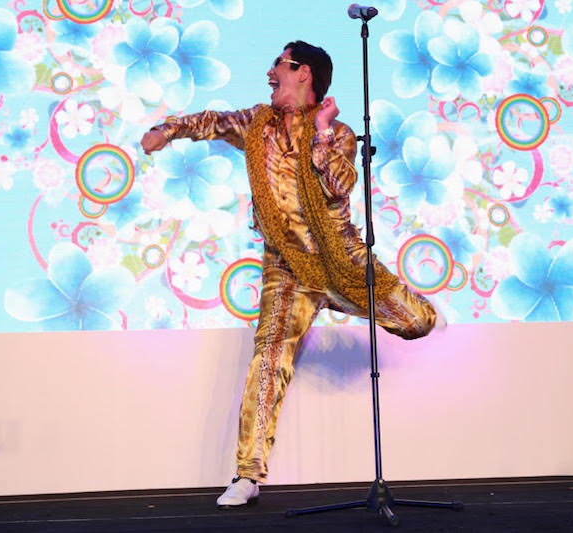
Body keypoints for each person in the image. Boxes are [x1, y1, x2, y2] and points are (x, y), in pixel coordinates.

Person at [141, 40, 443, 508]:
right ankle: (247, 476)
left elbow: (340, 186)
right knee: (269, 357)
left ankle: (423, 310)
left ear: (304, 74)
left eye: (279, 64)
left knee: (418, 323)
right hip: (286, 266)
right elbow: (210, 121)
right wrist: (166, 130)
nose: (269, 72)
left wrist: (320, 133)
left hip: (341, 260)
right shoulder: (257, 123)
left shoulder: (339, 132)